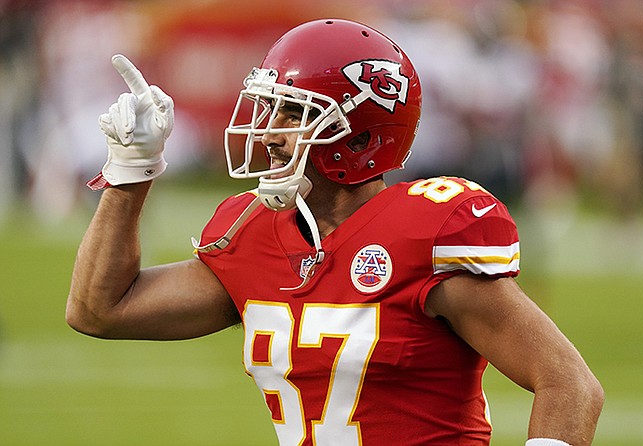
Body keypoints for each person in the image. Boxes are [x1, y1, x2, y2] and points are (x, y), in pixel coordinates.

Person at [67, 19, 603, 446]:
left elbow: (571, 386)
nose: (269, 130)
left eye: (292, 113)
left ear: (362, 132)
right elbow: (100, 310)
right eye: (270, 106)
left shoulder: (424, 234)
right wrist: (130, 172)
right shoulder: (253, 232)